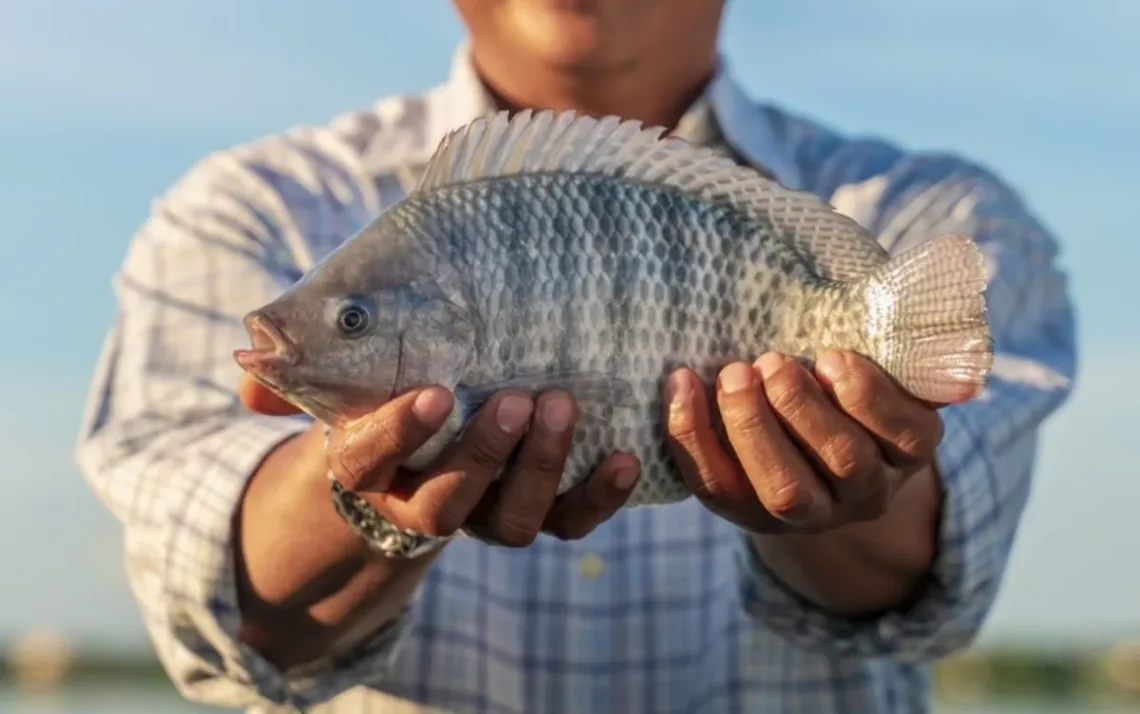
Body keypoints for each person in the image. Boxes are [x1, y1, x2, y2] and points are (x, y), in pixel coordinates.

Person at [74, 1, 1076, 712]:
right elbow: (206, 604)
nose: (334, 333)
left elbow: (928, 596)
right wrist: (361, 506)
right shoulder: (248, 210)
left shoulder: (936, 216)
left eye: (352, 324)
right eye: (355, 324)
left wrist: (848, 482)